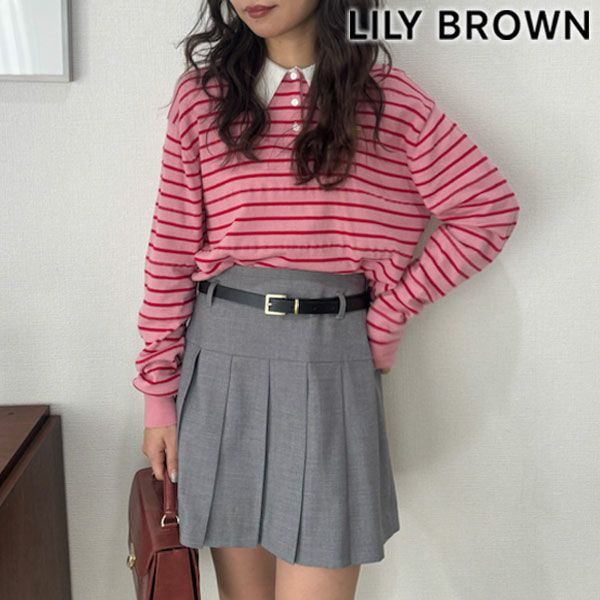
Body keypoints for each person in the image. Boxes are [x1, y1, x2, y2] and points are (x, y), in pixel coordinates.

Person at [132, 1, 520, 598]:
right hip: (221, 361)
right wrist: (158, 395)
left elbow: (487, 209)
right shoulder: (203, 99)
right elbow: (172, 248)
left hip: (330, 362)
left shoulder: (388, 102)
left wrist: (389, 314)